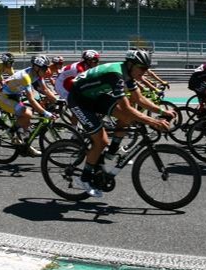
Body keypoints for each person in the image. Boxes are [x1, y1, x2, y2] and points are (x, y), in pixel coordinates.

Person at [67, 50, 174, 197]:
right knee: (101, 141)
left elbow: (139, 98)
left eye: (147, 68)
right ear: (130, 64)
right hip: (78, 100)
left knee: (126, 118)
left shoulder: (127, 73)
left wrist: (162, 111)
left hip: (94, 96)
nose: (145, 72)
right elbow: (126, 108)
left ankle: (111, 152)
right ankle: (84, 178)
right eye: (142, 68)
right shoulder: (116, 75)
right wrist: (153, 121)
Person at [0, 55, 59, 156]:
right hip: (5, 98)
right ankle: (11, 131)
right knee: (28, 113)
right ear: (36, 67)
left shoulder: (38, 74)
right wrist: (45, 113)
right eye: (45, 68)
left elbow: (45, 90)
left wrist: (57, 100)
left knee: (27, 122)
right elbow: (31, 99)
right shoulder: (25, 77)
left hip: (15, 95)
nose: (47, 70)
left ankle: (26, 145)